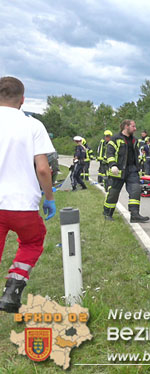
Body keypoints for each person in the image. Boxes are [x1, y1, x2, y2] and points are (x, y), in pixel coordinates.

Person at [0, 76, 56, 312]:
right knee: (33, 241)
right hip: (22, 204)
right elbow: (43, 168)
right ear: (22, 99)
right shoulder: (33, 125)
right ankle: (13, 289)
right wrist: (50, 198)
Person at [103, 120, 150, 223]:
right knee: (113, 193)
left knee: (136, 191)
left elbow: (136, 155)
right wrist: (113, 165)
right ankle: (107, 213)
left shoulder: (134, 140)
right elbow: (110, 153)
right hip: (118, 171)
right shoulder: (115, 139)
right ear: (126, 127)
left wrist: (139, 166)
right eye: (133, 126)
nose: (135, 128)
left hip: (132, 170)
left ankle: (135, 215)